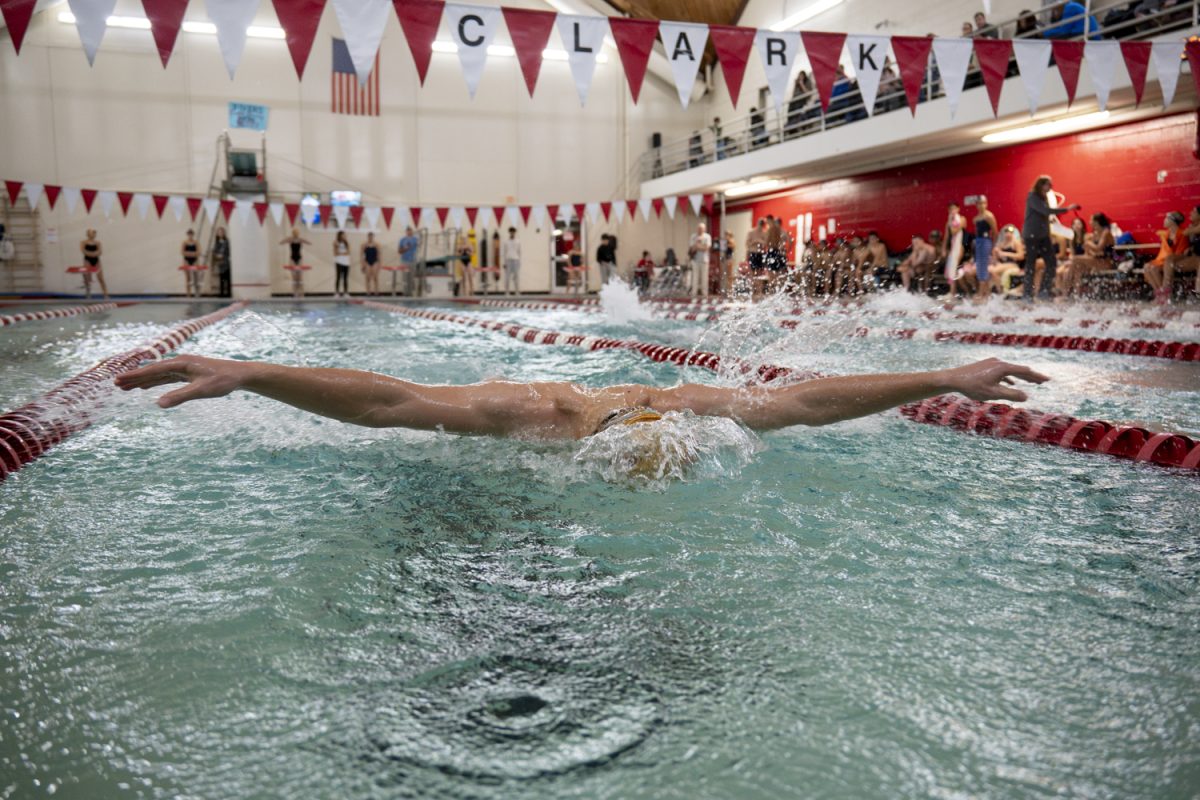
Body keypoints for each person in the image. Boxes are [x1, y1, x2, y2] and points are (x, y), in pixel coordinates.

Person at [115, 355, 1050, 457]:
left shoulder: (697, 406)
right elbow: (391, 401)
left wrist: (940, 378)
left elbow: (803, 404)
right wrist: (250, 371)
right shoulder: (544, 414)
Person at [1021, 175, 1079, 301]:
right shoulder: (1032, 196)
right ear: (1041, 185)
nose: (1051, 187)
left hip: (1043, 235)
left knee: (1051, 262)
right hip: (1032, 235)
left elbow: (1046, 215)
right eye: (1048, 184)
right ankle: (1027, 293)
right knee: (1031, 263)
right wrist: (1066, 209)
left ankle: (1044, 290)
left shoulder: (1044, 197)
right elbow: (1046, 211)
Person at [1157, 205, 1200, 303]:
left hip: (1197, 260)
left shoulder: (1191, 229)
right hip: (1194, 258)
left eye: (1194, 212)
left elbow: (1187, 233)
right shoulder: (1191, 227)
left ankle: (1198, 294)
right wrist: (1191, 247)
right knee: (1169, 260)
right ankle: (1166, 291)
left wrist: (1187, 231)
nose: (1191, 213)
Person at [1143, 211, 1190, 298]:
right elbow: (1164, 251)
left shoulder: (1182, 234)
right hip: (1163, 259)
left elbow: (1180, 253)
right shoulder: (1166, 234)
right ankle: (1159, 294)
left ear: (1172, 221)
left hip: (1173, 260)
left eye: (1166, 218)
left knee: (1154, 269)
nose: (1164, 221)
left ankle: (1165, 295)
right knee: (1146, 267)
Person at [972, 196, 997, 301]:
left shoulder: (989, 216)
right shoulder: (976, 218)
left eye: (983, 203)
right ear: (976, 205)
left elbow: (995, 232)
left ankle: (981, 293)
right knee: (980, 267)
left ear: (986, 204)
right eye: (979, 203)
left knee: (983, 266)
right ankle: (986, 293)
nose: (981, 205)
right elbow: (976, 232)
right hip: (978, 242)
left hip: (986, 241)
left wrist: (993, 247)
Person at [990, 225, 1026, 295]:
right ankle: (995, 290)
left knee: (993, 271)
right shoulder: (1003, 243)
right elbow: (995, 255)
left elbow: (1021, 256)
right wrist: (996, 255)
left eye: (1010, 232)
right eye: (1006, 232)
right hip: (1003, 264)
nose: (1008, 234)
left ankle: (1001, 291)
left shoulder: (1015, 243)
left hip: (1013, 264)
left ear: (1013, 233)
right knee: (989, 269)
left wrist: (1005, 254)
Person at [279, 228, 312, 299]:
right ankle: (295, 293)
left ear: (298, 233)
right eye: (294, 233)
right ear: (293, 233)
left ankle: (301, 293)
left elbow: (309, 242)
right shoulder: (290, 240)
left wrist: (303, 240)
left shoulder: (300, 240)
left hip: (299, 258)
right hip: (292, 259)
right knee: (294, 278)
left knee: (300, 278)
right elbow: (281, 242)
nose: (296, 234)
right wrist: (287, 239)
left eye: (297, 233)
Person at [79, 229, 110, 300]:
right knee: (87, 279)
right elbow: (83, 251)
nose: (93, 234)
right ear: (87, 234)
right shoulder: (83, 242)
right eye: (92, 233)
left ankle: (106, 294)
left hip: (96, 260)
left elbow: (100, 251)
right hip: (87, 260)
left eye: (94, 233)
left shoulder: (98, 242)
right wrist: (92, 254)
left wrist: (93, 254)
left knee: (101, 278)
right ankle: (88, 293)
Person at [943, 202, 966, 295]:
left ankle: (953, 292)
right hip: (953, 247)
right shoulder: (948, 223)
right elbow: (946, 236)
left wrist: (950, 221)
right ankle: (953, 291)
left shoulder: (962, 219)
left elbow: (954, 231)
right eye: (950, 209)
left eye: (954, 208)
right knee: (951, 268)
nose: (952, 211)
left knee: (953, 266)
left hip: (960, 246)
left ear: (958, 209)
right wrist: (943, 249)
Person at [688, 223, 712, 296]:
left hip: (704, 260)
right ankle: (694, 293)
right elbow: (692, 248)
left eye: (701, 228)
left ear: (704, 229)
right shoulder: (693, 236)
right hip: (695, 260)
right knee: (695, 277)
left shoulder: (707, 236)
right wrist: (700, 246)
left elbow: (707, 248)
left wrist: (697, 246)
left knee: (704, 278)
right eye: (699, 228)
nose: (700, 230)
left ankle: (704, 294)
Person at [398, 226, 420, 296]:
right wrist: (405, 248)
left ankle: (410, 293)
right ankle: (405, 293)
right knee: (405, 277)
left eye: (410, 231)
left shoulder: (415, 239)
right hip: (405, 260)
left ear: (412, 231)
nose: (409, 232)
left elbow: (419, 245)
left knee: (411, 277)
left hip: (413, 260)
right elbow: (399, 251)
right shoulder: (402, 240)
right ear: (406, 232)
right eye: (408, 231)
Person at [180, 229, 202, 298]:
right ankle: (188, 294)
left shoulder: (196, 242)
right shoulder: (184, 242)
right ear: (187, 235)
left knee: (196, 278)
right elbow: (182, 252)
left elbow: (199, 252)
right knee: (188, 278)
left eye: (191, 234)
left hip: (194, 260)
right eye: (189, 234)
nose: (190, 236)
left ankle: (196, 294)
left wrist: (190, 253)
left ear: (193, 235)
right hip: (186, 260)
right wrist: (193, 253)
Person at [501, 227, 522, 295]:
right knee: (507, 277)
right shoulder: (506, 241)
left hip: (516, 260)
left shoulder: (518, 241)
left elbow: (519, 252)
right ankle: (507, 291)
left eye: (513, 232)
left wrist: (519, 262)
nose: (512, 233)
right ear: (509, 232)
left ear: (515, 233)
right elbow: (504, 252)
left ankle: (517, 291)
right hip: (508, 260)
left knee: (516, 277)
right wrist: (504, 262)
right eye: (511, 232)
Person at [212, 227, 231, 298]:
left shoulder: (227, 242)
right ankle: (222, 293)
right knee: (222, 279)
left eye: (221, 232)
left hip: (227, 262)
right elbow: (215, 252)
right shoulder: (217, 242)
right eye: (219, 232)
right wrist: (217, 256)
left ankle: (229, 293)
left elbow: (229, 251)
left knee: (228, 278)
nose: (220, 233)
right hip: (221, 263)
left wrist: (223, 255)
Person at [360, 232, 381, 297]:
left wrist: (379, 264)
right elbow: (361, 255)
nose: (370, 238)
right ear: (368, 237)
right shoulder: (364, 245)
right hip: (367, 262)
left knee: (375, 277)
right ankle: (368, 292)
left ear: (373, 237)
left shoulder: (376, 244)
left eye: (372, 237)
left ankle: (376, 292)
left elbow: (379, 255)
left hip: (375, 261)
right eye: (369, 237)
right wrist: (363, 264)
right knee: (367, 278)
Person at [333, 230, 352, 298]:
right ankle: (337, 292)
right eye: (343, 235)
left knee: (345, 278)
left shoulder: (347, 243)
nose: (344, 236)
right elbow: (335, 253)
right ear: (340, 235)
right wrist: (343, 253)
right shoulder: (336, 242)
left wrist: (341, 253)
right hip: (338, 262)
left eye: (345, 235)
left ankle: (346, 292)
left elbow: (348, 252)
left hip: (346, 262)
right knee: (338, 277)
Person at [455, 232, 474, 297]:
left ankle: (472, 291)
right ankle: (465, 292)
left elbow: (472, 254)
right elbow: (457, 255)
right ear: (461, 240)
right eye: (462, 239)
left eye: (465, 239)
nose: (464, 240)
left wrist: (468, 252)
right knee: (464, 278)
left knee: (470, 276)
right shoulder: (459, 246)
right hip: (462, 262)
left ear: (467, 239)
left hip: (468, 262)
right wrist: (461, 252)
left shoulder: (469, 245)